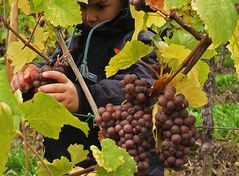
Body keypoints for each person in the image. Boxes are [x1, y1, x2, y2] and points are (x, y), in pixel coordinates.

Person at [11, 0, 164, 175]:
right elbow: (53, 68)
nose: (89, 17)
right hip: (72, 162)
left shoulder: (141, 41)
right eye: (83, 7)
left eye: (100, 6)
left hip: (122, 164)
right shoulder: (75, 41)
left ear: (124, 3)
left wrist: (84, 97)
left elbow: (143, 87)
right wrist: (31, 79)